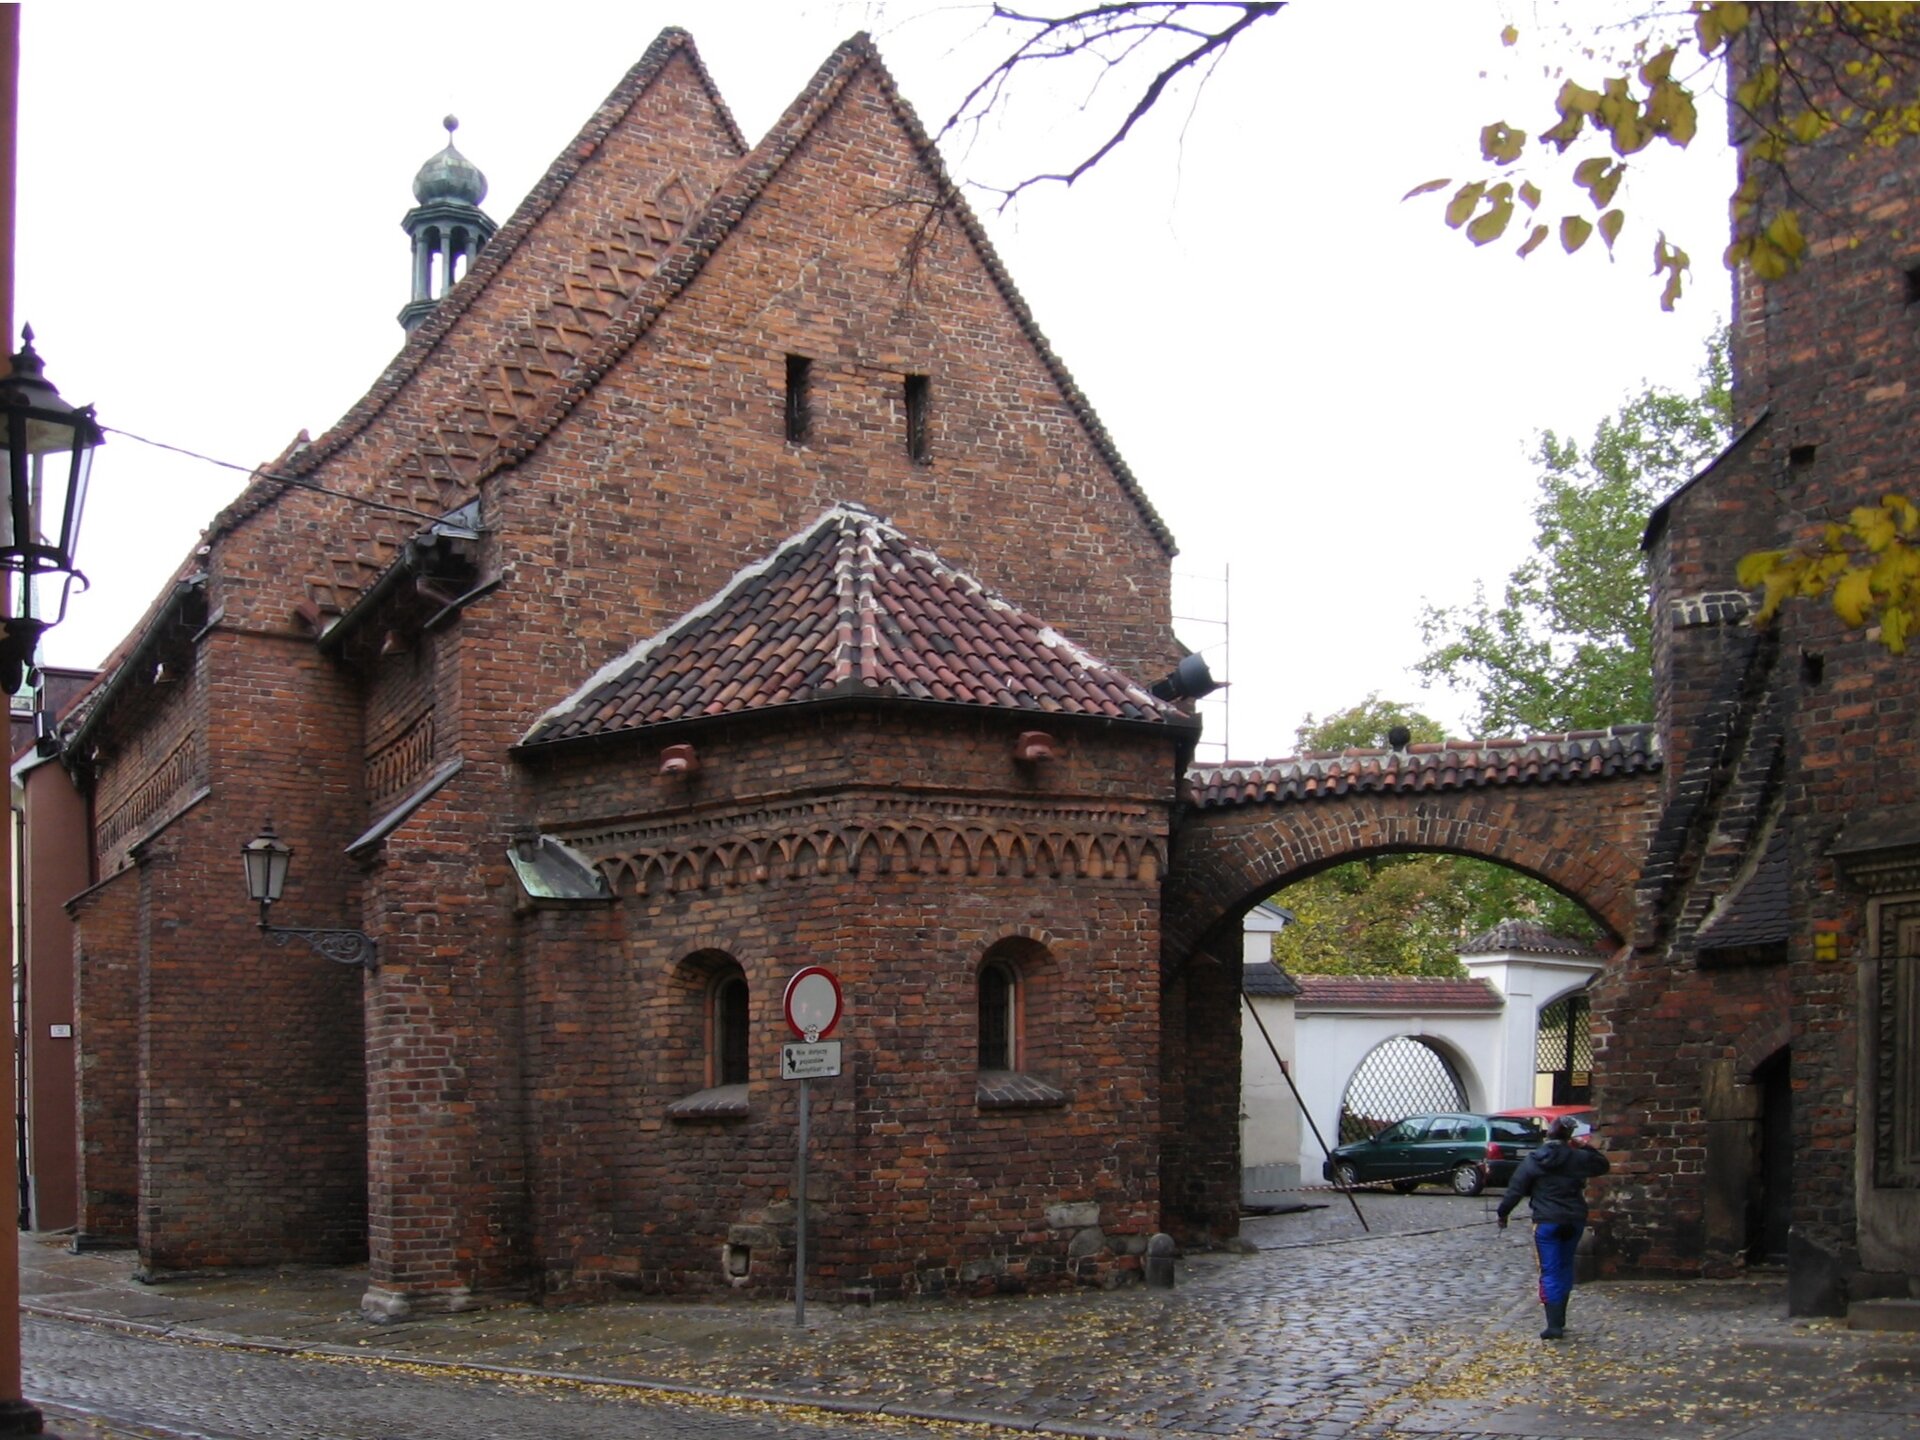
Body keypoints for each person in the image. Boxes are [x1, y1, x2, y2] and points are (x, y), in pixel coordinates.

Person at [1496, 1114, 1609, 1340]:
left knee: (1549, 1270)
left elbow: (1516, 1189)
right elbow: (1602, 1165)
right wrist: (1583, 1146)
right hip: (1573, 1218)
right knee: (1565, 1267)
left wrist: (1503, 1213)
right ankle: (1560, 1318)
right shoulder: (1578, 1158)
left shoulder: (1535, 1159)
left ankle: (1553, 1324)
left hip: (1547, 1221)